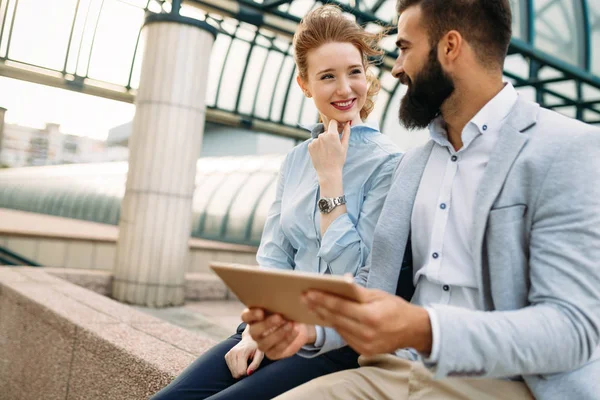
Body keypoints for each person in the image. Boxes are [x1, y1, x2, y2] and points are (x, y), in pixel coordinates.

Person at [242, 0, 600, 399]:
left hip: (504, 383)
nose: (395, 68)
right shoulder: (414, 165)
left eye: (405, 48)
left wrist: (424, 328)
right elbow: (372, 282)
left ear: (449, 47)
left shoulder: (567, 148)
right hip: (391, 371)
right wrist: (310, 328)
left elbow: (573, 329)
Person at [150, 5, 401, 400]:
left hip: (334, 344)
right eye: (327, 76)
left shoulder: (389, 164)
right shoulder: (296, 159)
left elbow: (360, 276)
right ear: (305, 84)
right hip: (272, 327)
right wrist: (254, 332)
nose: (345, 88)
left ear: (367, 76)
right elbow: (273, 255)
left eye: (354, 72)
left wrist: (331, 179)